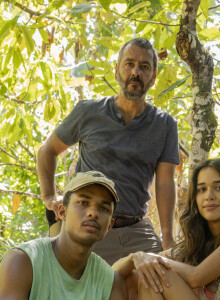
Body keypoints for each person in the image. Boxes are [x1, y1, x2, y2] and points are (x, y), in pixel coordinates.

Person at [37, 37, 180, 265]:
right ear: (117, 70)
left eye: (144, 67)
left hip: (136, 229)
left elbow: (164, 183)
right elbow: (47, 151)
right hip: (88, 223)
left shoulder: (165, 125)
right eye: (129, 64)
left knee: (163, 278)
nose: (136, 72)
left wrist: (169, 238)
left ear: (153, 77)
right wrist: (49, 197)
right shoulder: (88, 111)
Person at [113, 158, 220, 299]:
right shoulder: (194, 247)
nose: (209, 196)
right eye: (202, 189)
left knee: (157, 272)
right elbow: (112, 275)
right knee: (143, 274)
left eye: (219, 187)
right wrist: (135, 257)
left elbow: (196, 277)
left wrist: (147, 257)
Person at [0, 171, 127, 300]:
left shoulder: (111, 282)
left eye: (104, 208)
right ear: (62, 212)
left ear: (109, 226)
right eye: (83, 202)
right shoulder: (23, 261)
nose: (93, 213)